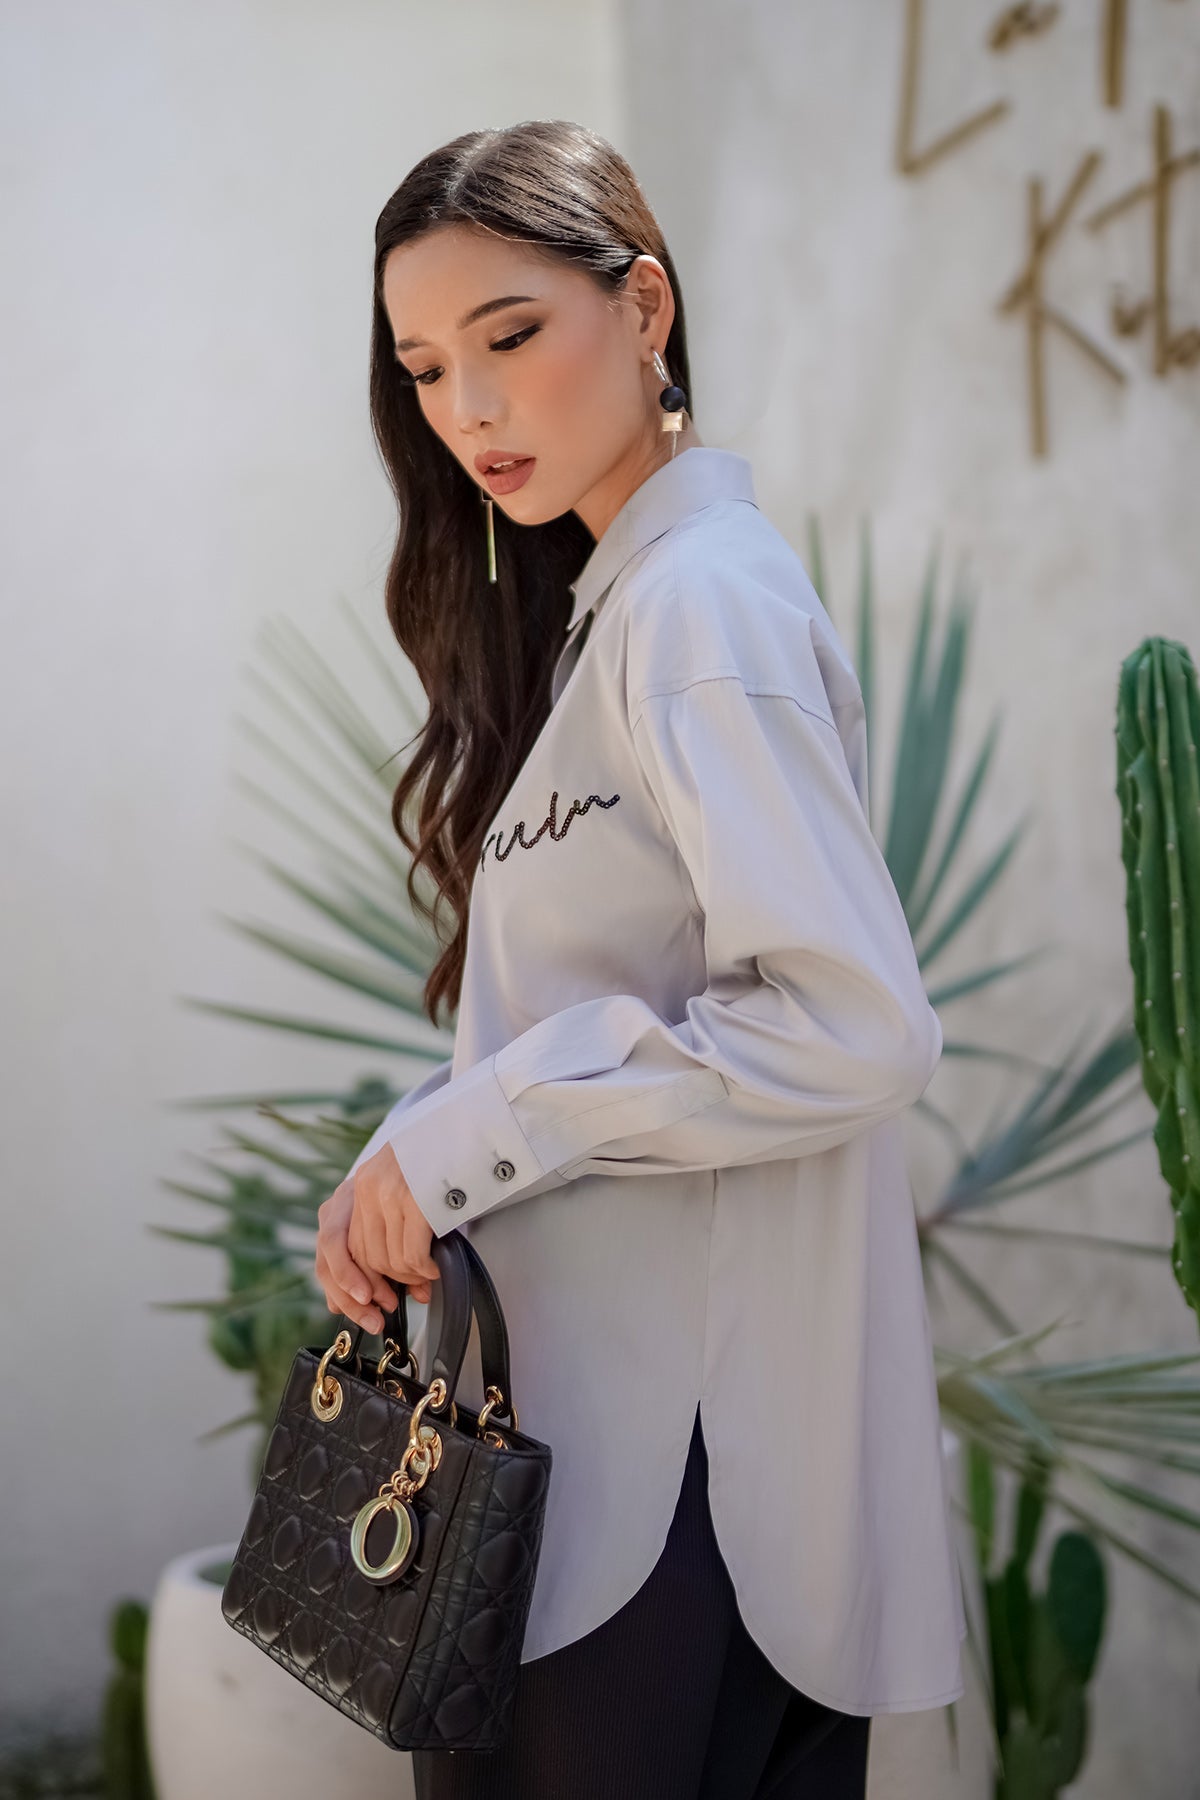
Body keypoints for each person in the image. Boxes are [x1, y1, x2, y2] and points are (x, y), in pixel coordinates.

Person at [315, 119, 966, 1799]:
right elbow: (626, 1011)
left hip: (672, 1505)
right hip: (608, 1469)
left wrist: (471, 1129)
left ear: (648, 307)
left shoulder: (700, 611)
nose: (470, 409)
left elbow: (850, 1024)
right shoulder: (626, 609)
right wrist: (418, 1140)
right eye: (426, 369)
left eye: (511, 336)